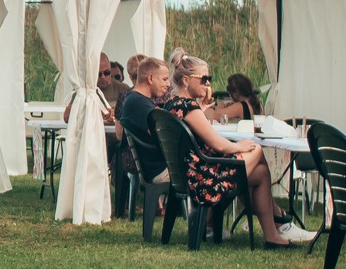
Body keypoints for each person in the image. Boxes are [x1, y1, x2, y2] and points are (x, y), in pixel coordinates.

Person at [160, 50, 316, 247]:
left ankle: (273, 236)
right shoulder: (188, 108)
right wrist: (238, 146)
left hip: (187, 174)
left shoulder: (172, 105)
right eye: (204, 79)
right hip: (203, 179)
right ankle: (277, 222)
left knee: (260, 173)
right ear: (185, 80)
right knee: (257, 150)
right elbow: (218, 144)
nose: (208, 84)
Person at [119, 56, 173, 186]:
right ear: (150, 78)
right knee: (213, 171)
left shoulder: (135, 100)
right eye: (165, 79)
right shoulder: (139, 104)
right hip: (160, 171)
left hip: (156, 169)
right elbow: (165, 138)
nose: (168, 84)